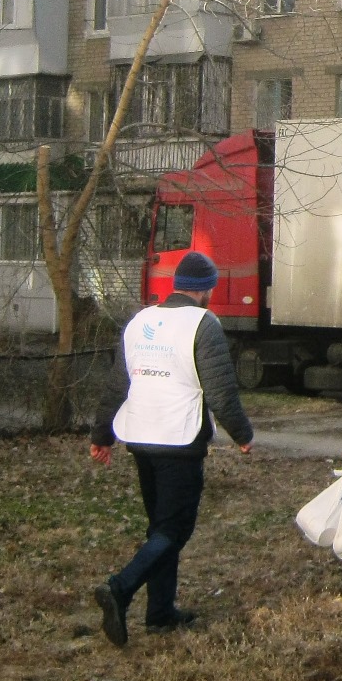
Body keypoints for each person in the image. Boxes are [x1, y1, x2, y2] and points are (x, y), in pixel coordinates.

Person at [89, 250, 253, 647]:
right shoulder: (204, 324)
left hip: (140, 438)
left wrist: (101, 435)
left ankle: (160, 613)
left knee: (160, 529)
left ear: (176, 285)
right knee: (174, 529)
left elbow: (117, 384)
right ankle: (121, 588)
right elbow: (220, 390)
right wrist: (241, 433)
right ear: (207, 290)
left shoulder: (141, 320)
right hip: (179, 439)